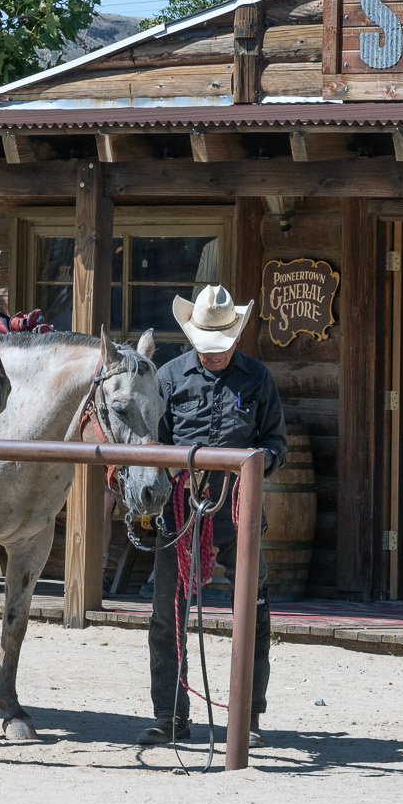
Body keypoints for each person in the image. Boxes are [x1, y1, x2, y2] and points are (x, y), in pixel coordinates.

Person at [139, 284, 286, 748]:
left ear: (235, 337)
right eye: (207, 346)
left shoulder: (258, 378)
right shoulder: (168, 378)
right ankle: (170, 715)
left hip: (239, 511)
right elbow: (154, 444)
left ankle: (247, 717)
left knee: (253, 612)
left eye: (222, 345)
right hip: (180, 511)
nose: (215, 353)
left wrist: (254, 464)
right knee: (167, 614)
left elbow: (276, 444)